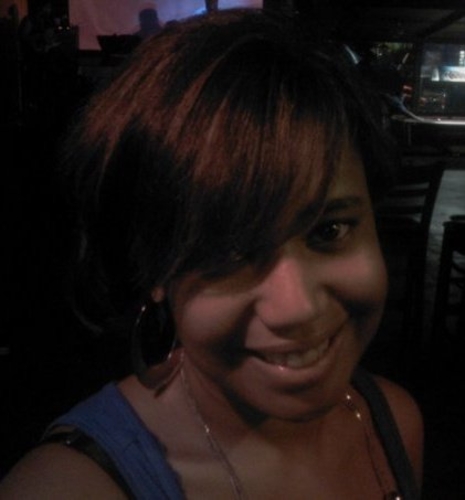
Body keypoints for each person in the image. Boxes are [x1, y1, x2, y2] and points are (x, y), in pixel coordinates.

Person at [0, 8, 423, 499]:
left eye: (329, 231)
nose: (298, 307)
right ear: (153, 269)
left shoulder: (392, 424)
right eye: (227, 251)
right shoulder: (69, 486)